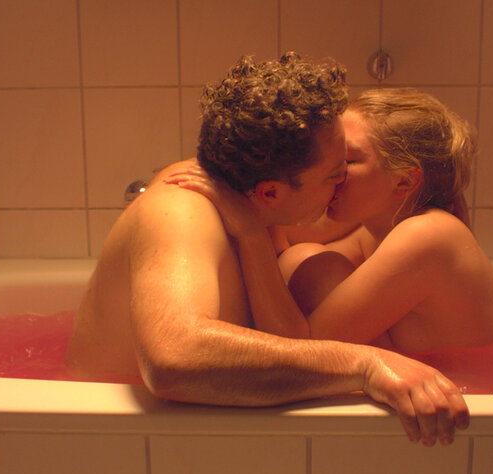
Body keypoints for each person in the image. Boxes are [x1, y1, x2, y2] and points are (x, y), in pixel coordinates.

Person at [65, 54, 469, 447]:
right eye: (334, 175)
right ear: (272, 192)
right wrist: (365, 365)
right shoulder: (179, 211)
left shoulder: (252, 204)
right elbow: (173, 358)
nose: (342, 183)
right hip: (102, 441)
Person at [167, 88, 493, 356]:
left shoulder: (427, 236)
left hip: (480, 396)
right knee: (306, 259)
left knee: (319, 269)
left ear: (404, 182)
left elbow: (300, 352)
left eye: (347, 161)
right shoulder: (378, 230)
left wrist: (251, 233)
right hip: (446, 379)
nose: (332, 172)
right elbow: (288, 259)